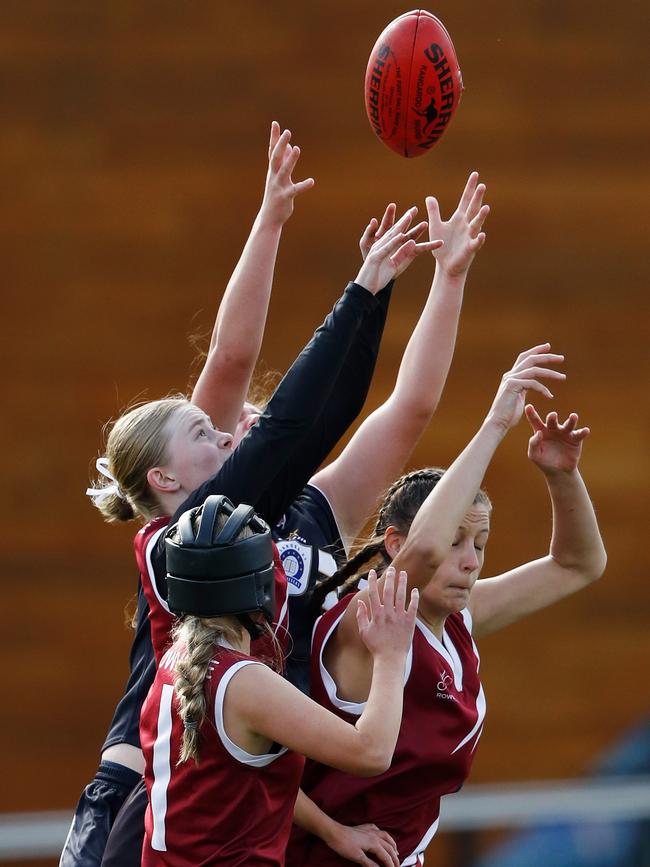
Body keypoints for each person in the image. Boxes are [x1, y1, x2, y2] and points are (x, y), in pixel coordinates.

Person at [61, 121, 441, 867]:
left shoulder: (243, 518)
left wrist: (372, 292)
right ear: (163, 479)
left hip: (246, 782)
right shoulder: (185, 539)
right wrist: (358, 293)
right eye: (207, 431)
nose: (231, 433)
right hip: (139, 803)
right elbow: (275, 406)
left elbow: (319, 420)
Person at [285, 343, 608, 866]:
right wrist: (496, 424)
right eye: (457, 541)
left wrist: (561, 474)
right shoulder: (366, 618)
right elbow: (426, 551)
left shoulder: (458, 618)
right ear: (394, 544)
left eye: (479, 545)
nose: (470, 561)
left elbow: (578, 565)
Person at [139, 494, 418, 866]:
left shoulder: (178, 660)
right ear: (261, 586)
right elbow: (372, 752)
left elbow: (240, 778)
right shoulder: (243, 683)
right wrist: (390, 655)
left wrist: (332, 831)